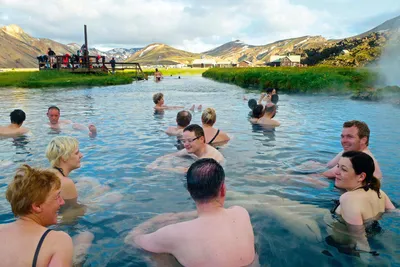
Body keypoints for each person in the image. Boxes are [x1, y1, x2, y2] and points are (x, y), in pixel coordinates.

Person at [126, 158, 255, 267]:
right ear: (223, 189)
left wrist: (155, 221)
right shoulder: (241, 213)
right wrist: (182, 216)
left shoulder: (173, 233)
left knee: (156, 254)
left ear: (189, 191)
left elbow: (131, 240)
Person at [0, 165, 73, 266]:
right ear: (37, 206)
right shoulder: (58, 241)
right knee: (85, 237)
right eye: (57, 197)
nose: (62, 202)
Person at [330, 151, 395, 252]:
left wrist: (363, 261)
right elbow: (394, 212)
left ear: (361, 176)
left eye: (343, 169)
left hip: (343, 244)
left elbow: (360, 240)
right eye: (337, 166)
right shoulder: (379, 192)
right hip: (373, 234)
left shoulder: (348, 198)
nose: (336, 172)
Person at [147, 124, 224, 172]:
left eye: (190, 140)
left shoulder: (208, 158)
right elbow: (173, 154)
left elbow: (186, 171)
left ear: (201, 139)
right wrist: (154, 162)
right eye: (184, 141)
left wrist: (158, 168)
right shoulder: (194, 148)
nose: (186, 144)